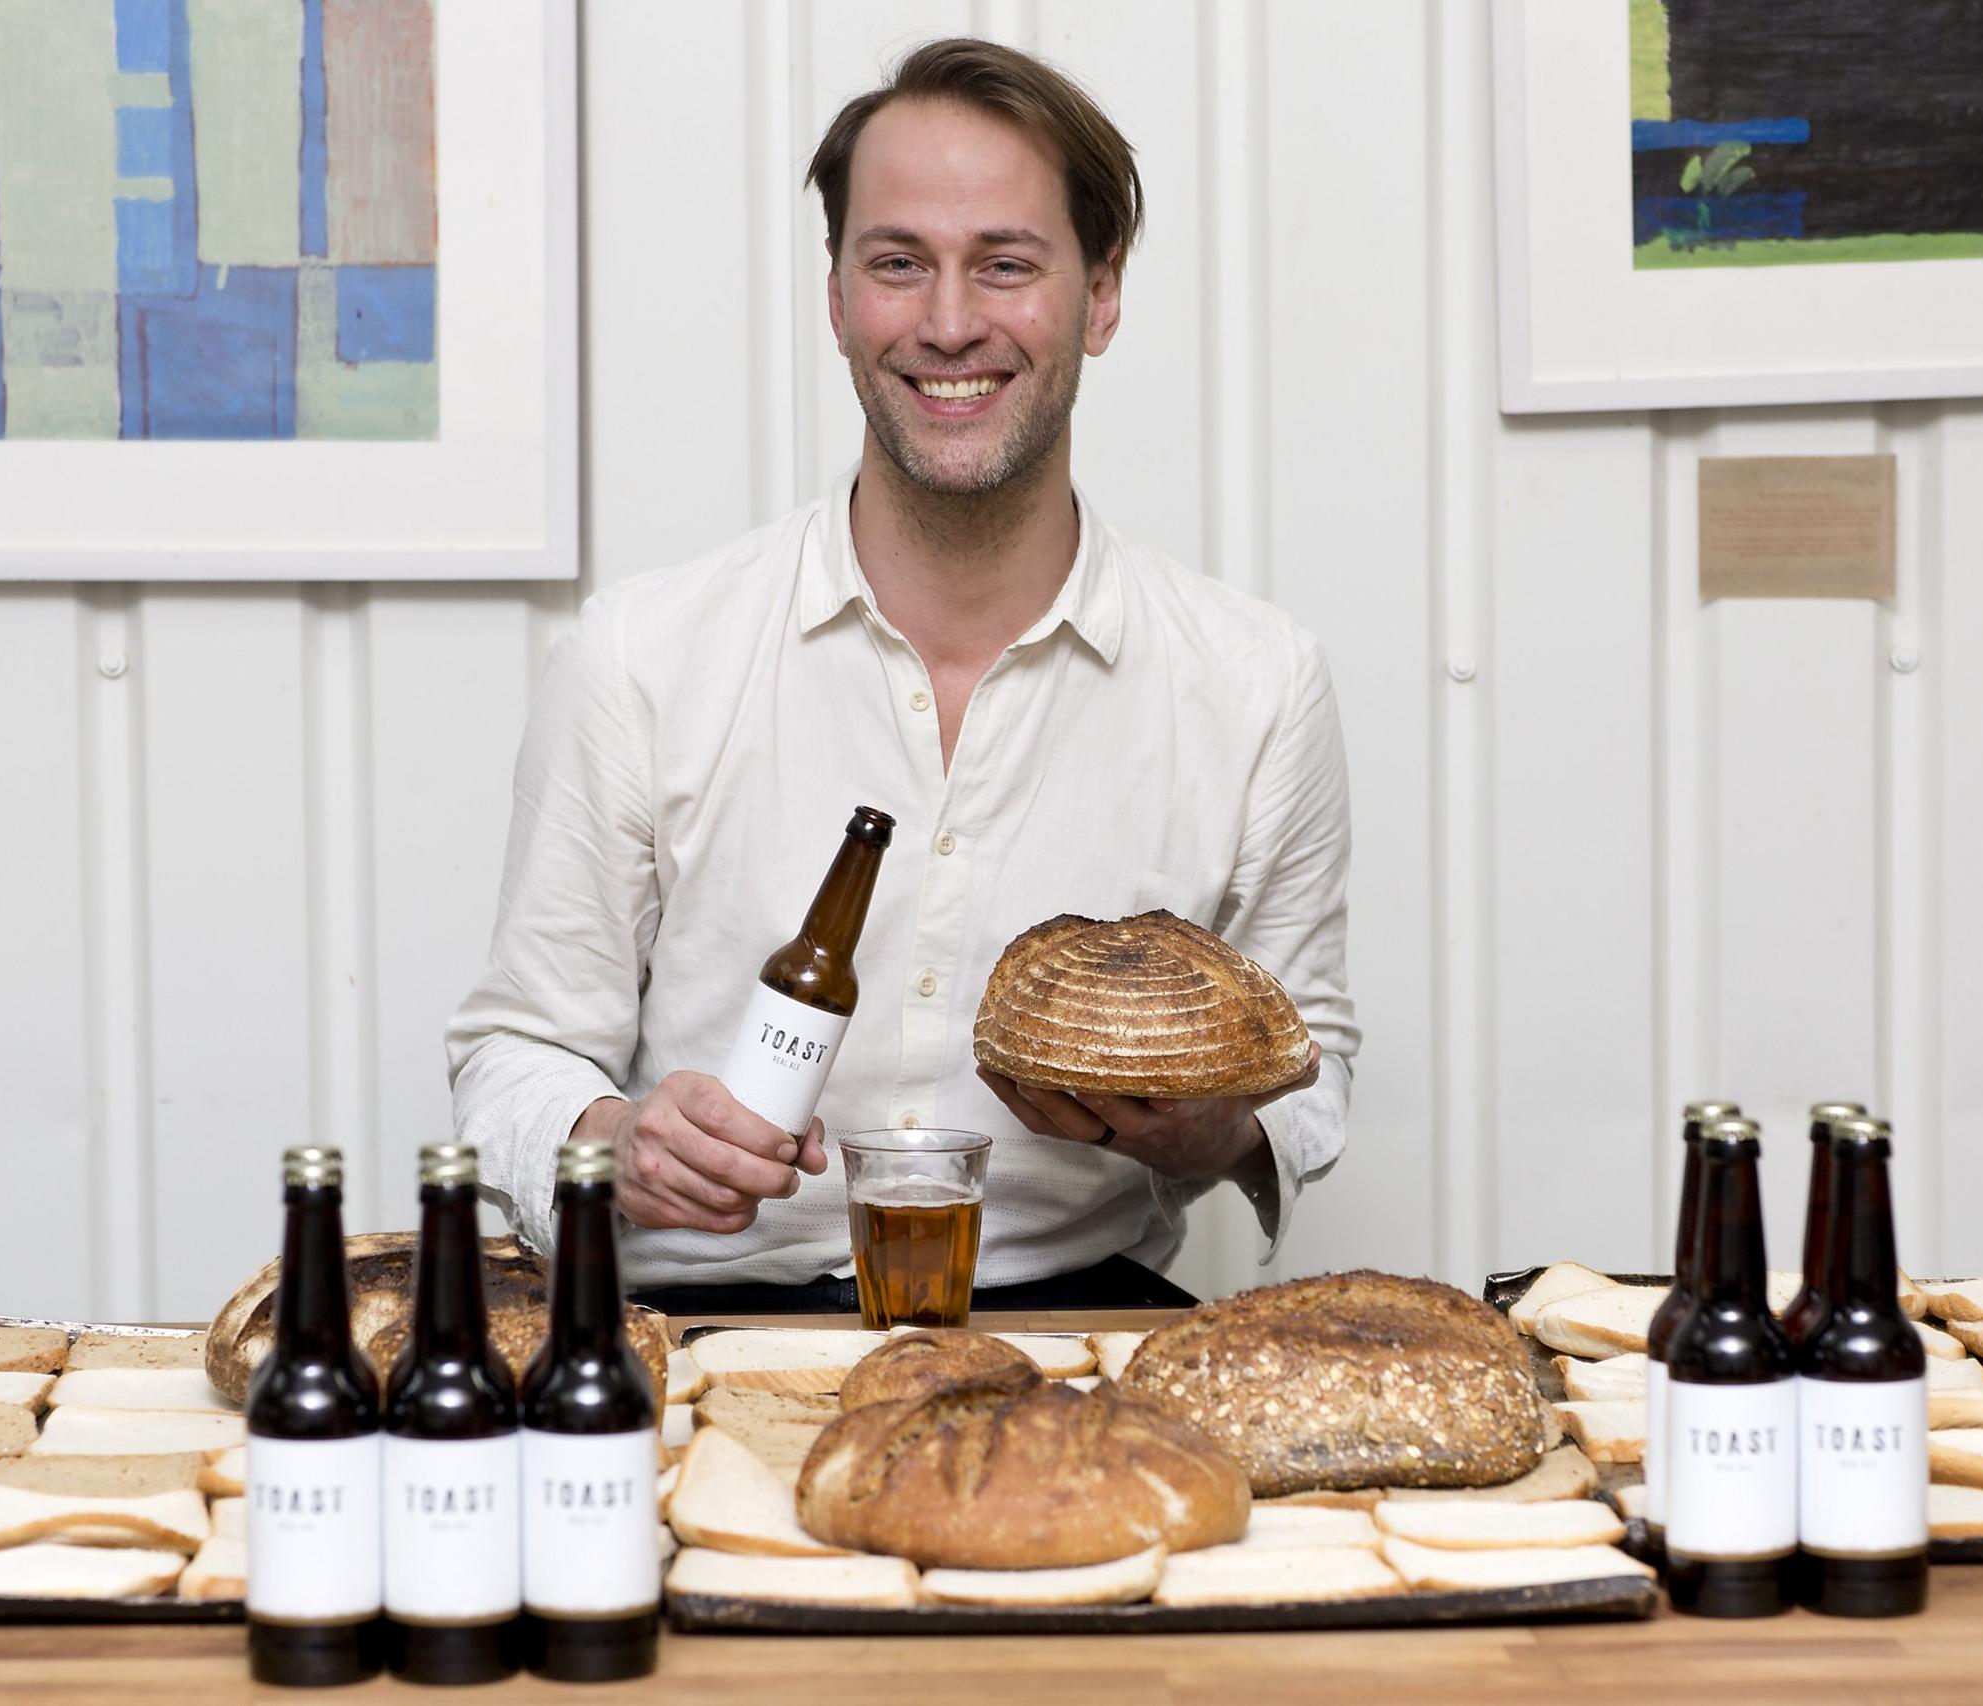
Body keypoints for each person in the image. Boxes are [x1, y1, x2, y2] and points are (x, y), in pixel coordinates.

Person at [447, 38, 1355, 1311]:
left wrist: (1210, 1131)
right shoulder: (640, 657)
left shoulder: (1257, 685)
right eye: (897, 263)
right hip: (696, 1322)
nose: (946, 322)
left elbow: (1311, 1071)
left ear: (1099, 295)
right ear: (835, 298)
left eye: (1005, 263)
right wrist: (612, 1139)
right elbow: (513, 1052)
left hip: (1075, 1320)